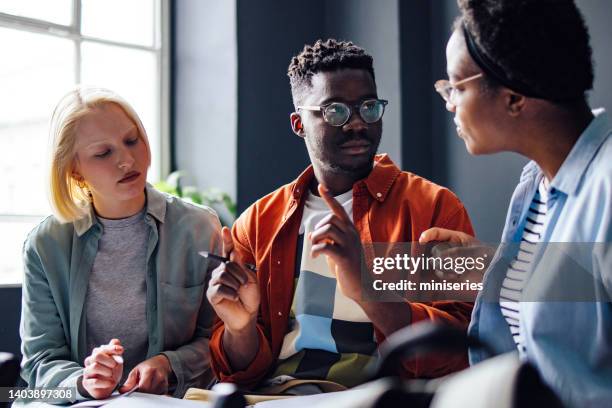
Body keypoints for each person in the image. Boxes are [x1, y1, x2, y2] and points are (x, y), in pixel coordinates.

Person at [206, 39, 476, 392]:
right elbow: (238, 371)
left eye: (368, 107)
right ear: (298, 123)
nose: (356, 124)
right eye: (335, 111)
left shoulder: (438, 207)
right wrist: (239, 329)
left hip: (386, 397)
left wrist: (366, 287)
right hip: (283, 396)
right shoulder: (256, 223)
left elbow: (461, 348)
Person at [419, 1, 612, 406]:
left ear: (513, 98)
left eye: (456, 86)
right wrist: (495, 271)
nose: (450, 102)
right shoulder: (536, 183)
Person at [20, 87, 221, 401]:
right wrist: (83, 382)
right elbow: (38, 364)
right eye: (103, 153)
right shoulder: (45, 245)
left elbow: (218, 339)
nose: (127, 160)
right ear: (74, 170)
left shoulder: (198, 227)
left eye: (132, 140)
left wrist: (170, 365)